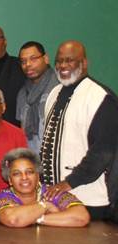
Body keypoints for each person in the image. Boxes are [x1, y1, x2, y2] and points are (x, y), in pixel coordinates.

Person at [40, 40, 118, 221]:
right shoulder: (54, 94)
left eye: (69, 60)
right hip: (57, 198)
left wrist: (70, 182)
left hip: (91, 199)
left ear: (84, 63)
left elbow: (103, 152)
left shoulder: (101, 97)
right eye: (59, 61)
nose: (63, 66)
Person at [0, 148, 89, 227]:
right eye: (17, 174)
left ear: (37, 176)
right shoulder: (5, 196)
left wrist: (38, 219)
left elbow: (81, 217)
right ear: (9, 180)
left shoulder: (51, 192)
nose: (24, 177)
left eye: (29, 172)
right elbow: (13, 219)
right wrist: (45, 206)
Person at [16, 42, 59, 153]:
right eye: (23, 61)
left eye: (33, 59)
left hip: (56, 157)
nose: (28, 64)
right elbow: (22, 131)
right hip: (32, 160)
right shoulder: (22, 93)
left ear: (45, 59)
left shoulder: (59, 87)